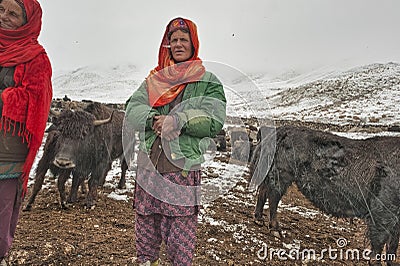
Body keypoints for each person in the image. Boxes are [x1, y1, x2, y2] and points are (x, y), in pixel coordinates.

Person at [125, 17, 226, 266]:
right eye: (174, 40)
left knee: (180, 242)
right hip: (149, 168)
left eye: (184, 39)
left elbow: (214, 118)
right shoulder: (154, 80)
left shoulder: (207, 81)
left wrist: (178, 120)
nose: (178, 44)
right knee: (146, 234)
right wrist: (153, 120)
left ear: (194, 44)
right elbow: (131, 108)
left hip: (180, 171)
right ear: (166, 45)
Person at [0, 0, 52, 264]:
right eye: (0, 10)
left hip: (7, 153)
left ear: (27, 21)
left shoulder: (36, 58)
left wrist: (4, 98)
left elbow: (36, 100)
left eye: (12, 13)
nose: (4, 17)